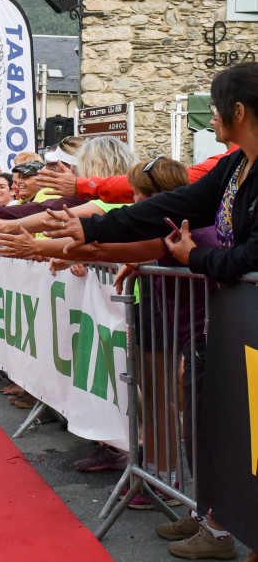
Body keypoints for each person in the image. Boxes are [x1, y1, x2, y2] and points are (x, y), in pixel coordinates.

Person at [44, 62, 258, 560]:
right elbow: (174, 204)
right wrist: (91, 230)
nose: (211, 119)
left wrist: (195, 259)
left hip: (242, 322)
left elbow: (251, 254)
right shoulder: (234, 166)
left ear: (239, 110)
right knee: (229, 432)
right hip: (236, 328)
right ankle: (221, 520)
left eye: (216, 107)